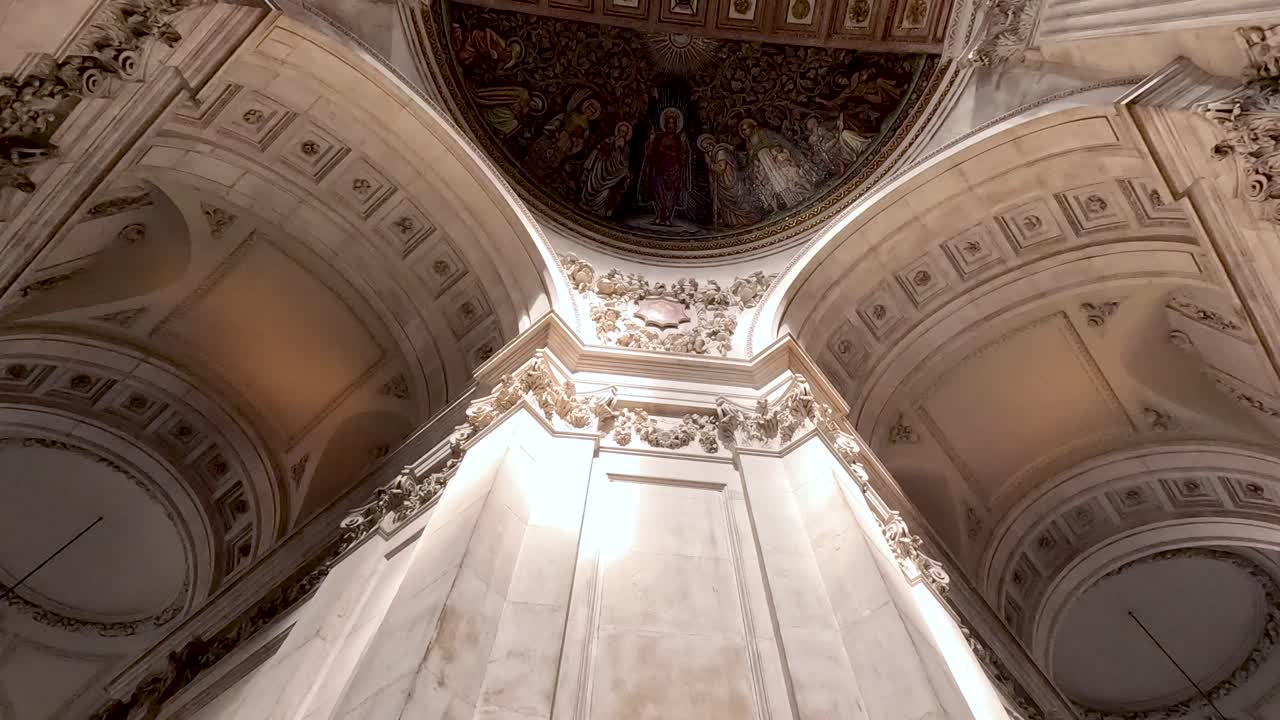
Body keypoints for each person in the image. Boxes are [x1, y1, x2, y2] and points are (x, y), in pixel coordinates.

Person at [738, 118, 814, 213]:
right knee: (769, 183)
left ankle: (799, 194)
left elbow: (776, 141)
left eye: (745, 129)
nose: (744, 132)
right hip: (765, 166)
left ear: (751, 127)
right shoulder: (748, 143)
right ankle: (785, 201)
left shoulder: (763, 132)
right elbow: (750, 159)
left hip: (774, 159)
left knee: (788, 176)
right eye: (742, 131)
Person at [526, 91, 600, 179]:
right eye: (589, 108)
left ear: (593, 114)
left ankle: (537, 174)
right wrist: (555, 130)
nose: (589, 111)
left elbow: (581, 142)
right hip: (556, 135)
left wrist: (572, 146)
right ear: (585, 107)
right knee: (540, 150)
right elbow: (561, 119)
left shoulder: (586, 127)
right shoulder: (573, 114)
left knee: (550, 160)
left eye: (592, 111)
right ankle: (527, 163)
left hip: (565, 144)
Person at [639, 108, 690, 225]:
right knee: (657, 193)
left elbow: (683, 157)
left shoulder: (679, 139)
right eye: (668, 123)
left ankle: (667, 217)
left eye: (673, 123)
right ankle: (659, 215)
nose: (670, 126)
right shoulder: (658, 137)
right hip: (658, 170)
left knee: (670, 195)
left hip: (674, 171)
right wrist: (651, 141)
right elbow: (650, 154)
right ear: (665, 124)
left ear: (676, 125)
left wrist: (682, 143)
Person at [697, 133, 755, 227]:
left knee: (734, 201)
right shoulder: (713, 154)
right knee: (724, 203)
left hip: (729, 180)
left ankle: (744, 219)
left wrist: (709, 164)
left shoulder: (720, 151)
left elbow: (720, 168)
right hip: (722, 182)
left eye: (708, 144)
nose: (708, 147)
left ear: (712, 142)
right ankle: (730, 220)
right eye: (705, 147)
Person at [580, 122, 634, 217]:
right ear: (617, 131)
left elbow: (625, 163)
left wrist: (620, 151)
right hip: (601, 168)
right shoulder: (609, 140)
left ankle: (600, 208)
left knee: (609, 189)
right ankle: (586, 202)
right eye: (620, 131)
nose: (622, 133)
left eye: (624, 132)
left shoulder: (626, 148)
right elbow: (599, 149)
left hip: (615, 172)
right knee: (593, 182)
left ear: (626, 134)